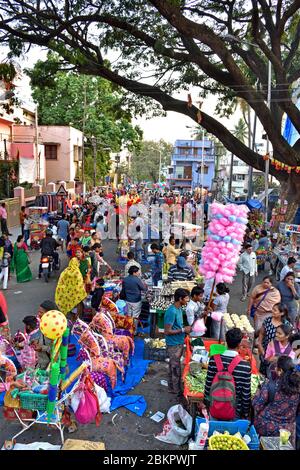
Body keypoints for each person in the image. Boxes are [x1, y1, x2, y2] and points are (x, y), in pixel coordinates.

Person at [253, 355, 300, 447]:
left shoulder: (271, 385)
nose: (274, 369)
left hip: (266, 428)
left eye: (276, 367)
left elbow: (256, 404)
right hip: (287, 432)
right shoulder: (298, 388)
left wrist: (257, 392)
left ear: (280, 371)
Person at [204, 328, 252, 419]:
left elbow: (208, 384)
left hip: (214, 407)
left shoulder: (214, 360)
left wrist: (206, 403)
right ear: (239, 344)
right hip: (234, 410)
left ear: (226, 342)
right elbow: (246, 394)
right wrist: (245, 413)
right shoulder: (245, 366)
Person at [164, 288, 191, 398]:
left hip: (179, 341)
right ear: (180, 299)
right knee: (175, 367)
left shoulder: (179, 309)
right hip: (173, 343)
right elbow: (167, 331)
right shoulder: (172, 311)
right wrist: (183, 330)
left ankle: (173, 387)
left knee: (174, 366)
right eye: (186, 298)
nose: (187, 300)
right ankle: (175, 390)